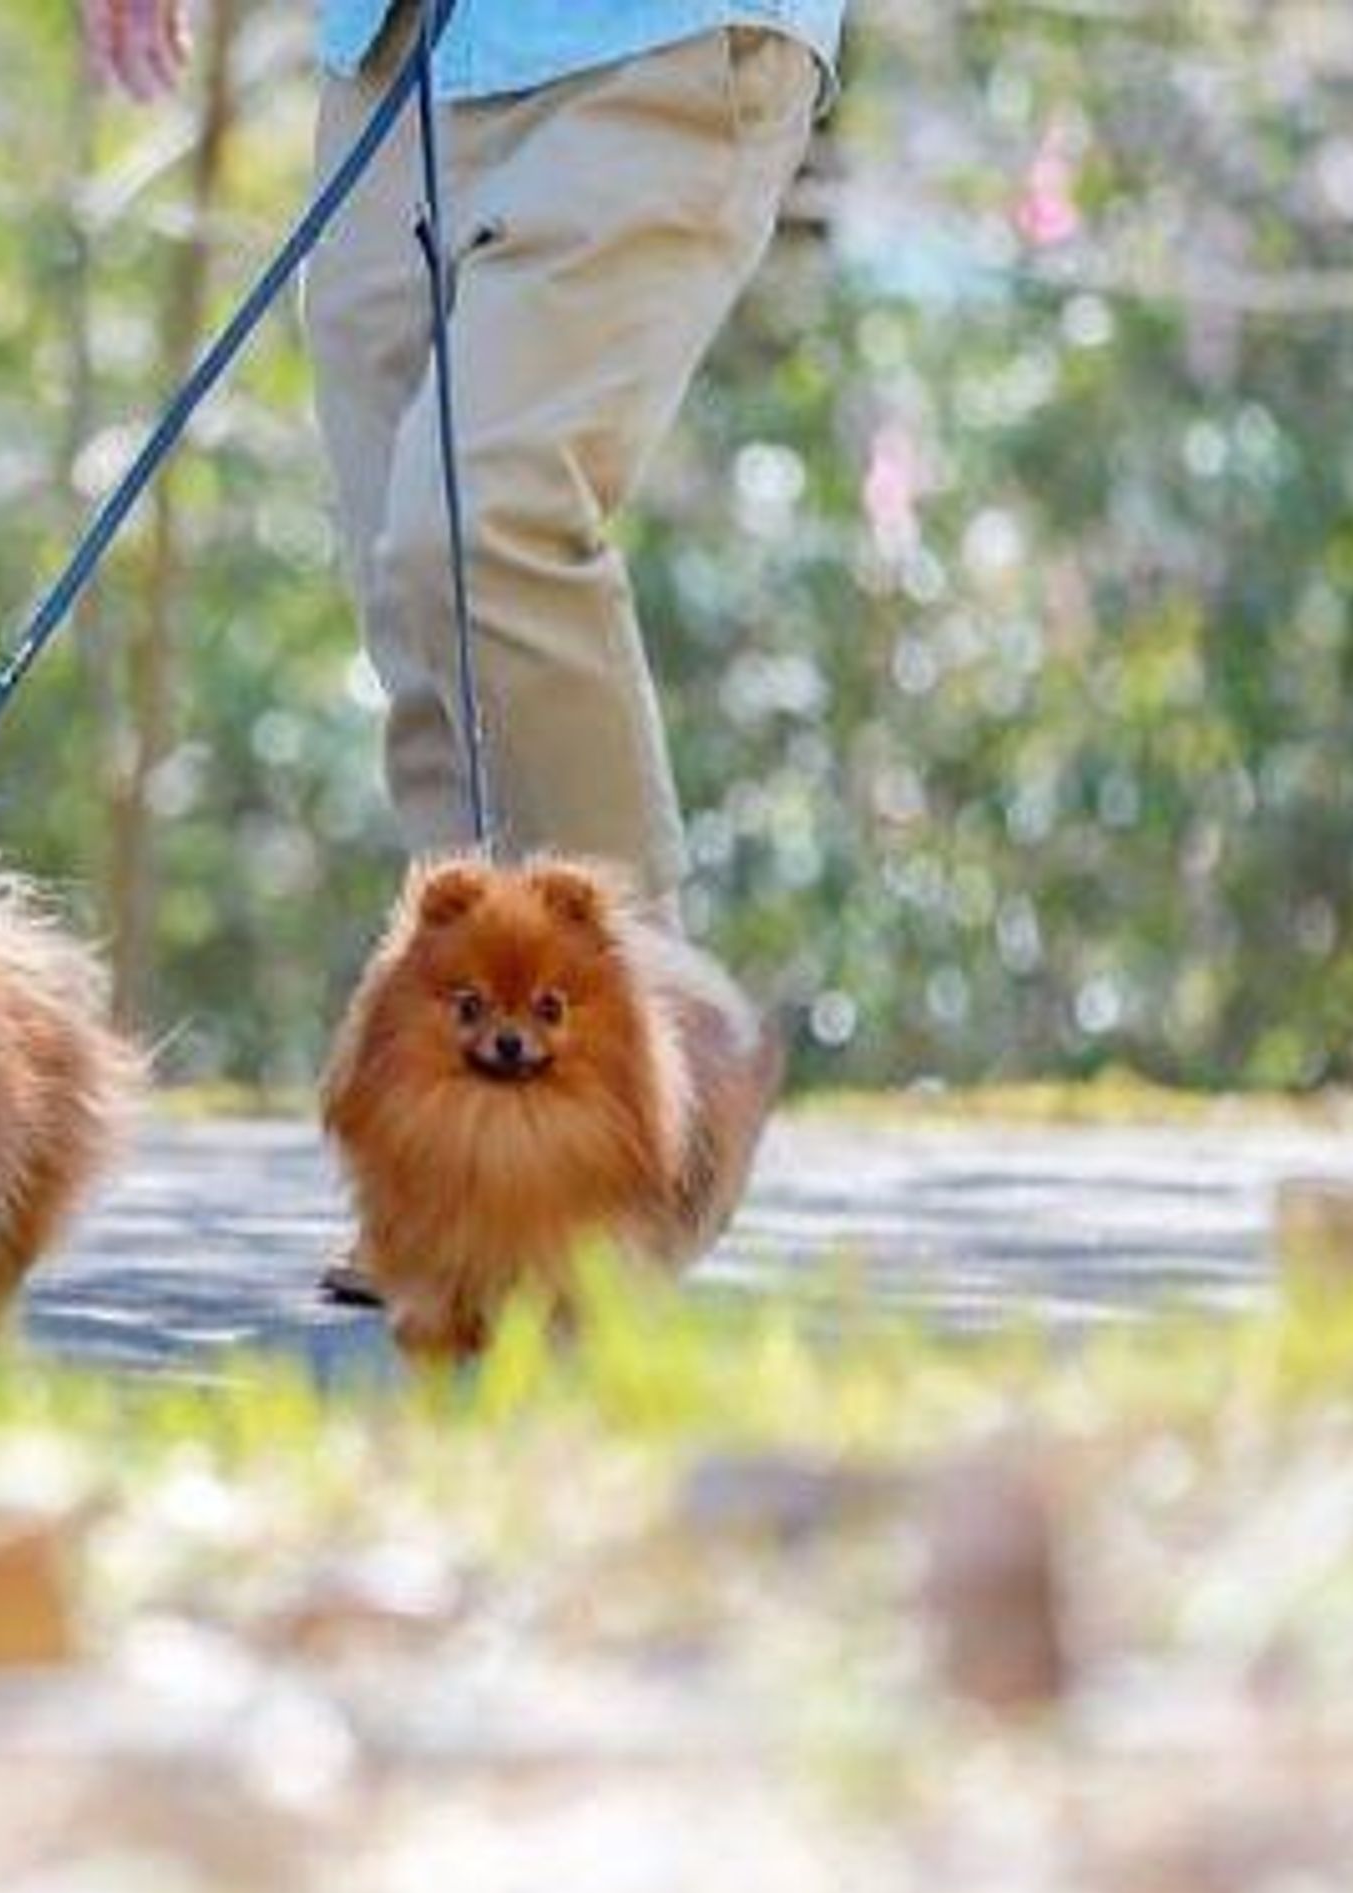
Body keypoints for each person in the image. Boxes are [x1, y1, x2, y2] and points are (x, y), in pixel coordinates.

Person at [82, 0, 837, 1279]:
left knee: (480, 522)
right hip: (393, 58)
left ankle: (661, 1058)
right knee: (411, 589)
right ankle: (479, 1166)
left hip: (648, 40)